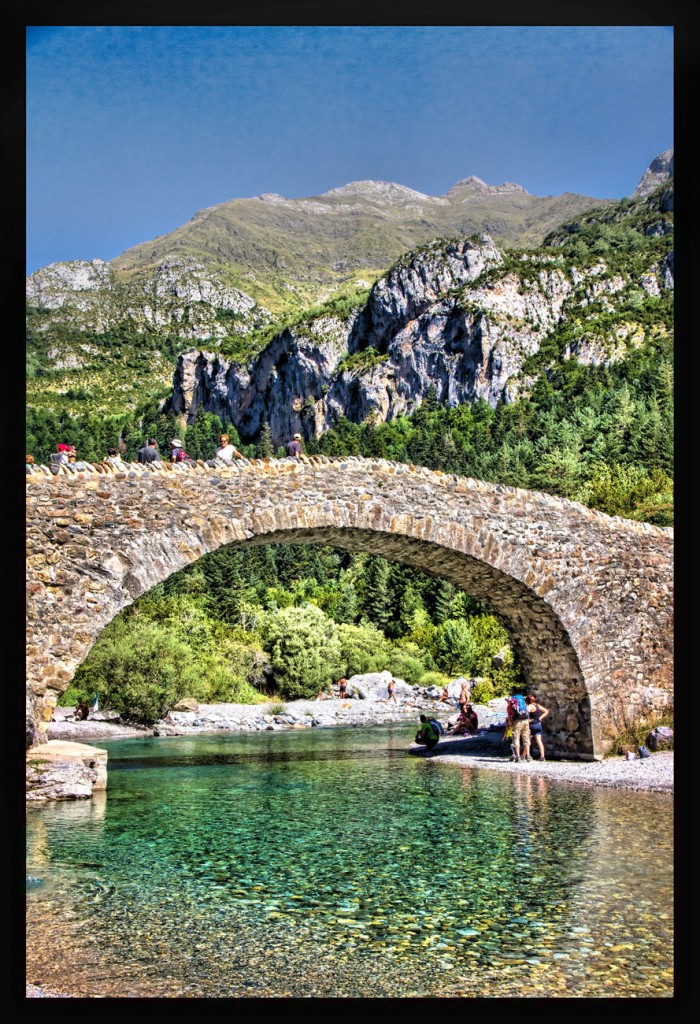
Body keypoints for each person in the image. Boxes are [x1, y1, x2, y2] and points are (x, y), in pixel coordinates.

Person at [507, 690, 531, 762]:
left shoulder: (509, 707)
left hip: (517, 722)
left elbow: (509, 718)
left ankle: (518, 757)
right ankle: (528, 756)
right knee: (526, 738)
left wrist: (510, 724)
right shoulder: (524, 705)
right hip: (526, 721)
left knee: (516, 738)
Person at [526, 693, 549, 761]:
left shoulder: (529, 706)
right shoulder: (537, 705)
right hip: (538, 725)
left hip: (531, 725)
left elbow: (526, 714)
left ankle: (527, 755)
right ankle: (542, 756)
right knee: (539, 741)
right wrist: (540, 718)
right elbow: (546, 711)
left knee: (528, 741)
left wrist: (528, 720)